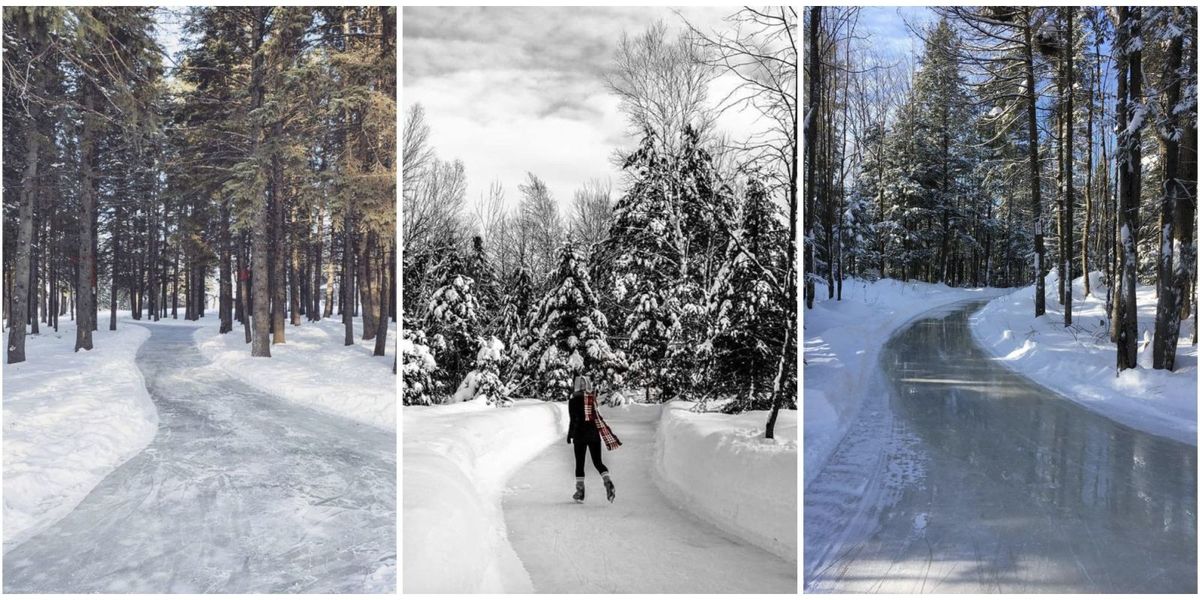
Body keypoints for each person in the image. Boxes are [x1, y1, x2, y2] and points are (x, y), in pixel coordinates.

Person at [567, 374, 620, 503]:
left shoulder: (573, 401)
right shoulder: (592, 399)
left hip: (580, 435)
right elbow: (596, 416)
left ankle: (580, 492)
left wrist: (570, 435)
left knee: (580, 464)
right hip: (594, 435)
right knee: (598, 462)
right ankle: (607, 481)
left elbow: (573, 419)